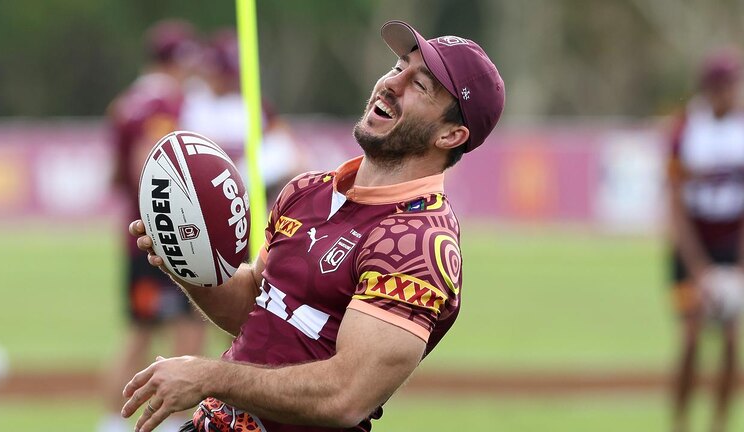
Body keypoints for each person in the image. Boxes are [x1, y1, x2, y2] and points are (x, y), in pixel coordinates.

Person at [121, 20, 504, 432]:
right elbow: (255, 311)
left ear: (451, 135)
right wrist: (184, 258)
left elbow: (345, 396)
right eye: (398, 67)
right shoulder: (308, 191)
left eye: (421, 85)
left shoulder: (417, 242)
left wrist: (208, 376)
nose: (393, 84)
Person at [99, 20, 209, 432]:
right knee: (188, 331)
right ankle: (174, 423)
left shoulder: (126, 101)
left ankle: (110, 422)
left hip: (133, 234)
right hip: (161, 238)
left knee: (139, 333)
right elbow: (151, 162)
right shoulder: (163, 104)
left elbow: (115, 174)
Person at [667, 49, 744, 432]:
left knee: (731, 341)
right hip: (692, 246)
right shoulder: (685, 132)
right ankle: (680, 423)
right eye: (723, 86)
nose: (729, 93)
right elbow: (675, 204)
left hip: (731, 243)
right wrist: (698, 269)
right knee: (691, 338)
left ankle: (720, 425)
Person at [180, 29, 304, 204]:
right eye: (225, 76)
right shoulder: (189, 100)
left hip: (251, 193)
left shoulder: (255, 103)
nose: (232, 82)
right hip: (201, 193)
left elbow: (292, 155)